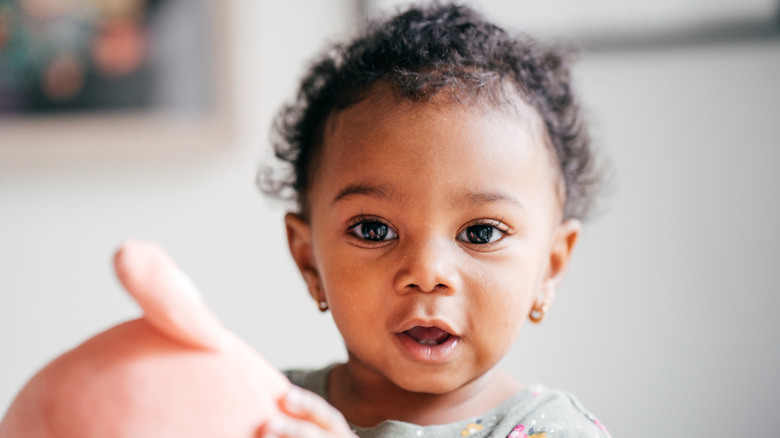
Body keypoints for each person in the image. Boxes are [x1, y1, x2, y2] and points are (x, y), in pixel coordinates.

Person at [258, 3, 609, 438]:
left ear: (550, 267)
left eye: (481, 233)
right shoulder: (265, 407)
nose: (427, 273)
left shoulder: (553, 432)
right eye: (374, 230)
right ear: (309, 259)